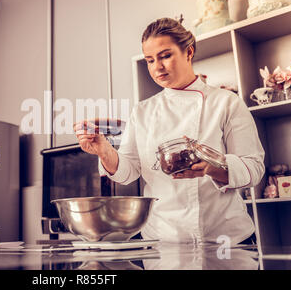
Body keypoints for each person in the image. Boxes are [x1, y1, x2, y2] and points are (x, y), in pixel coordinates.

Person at [74, 17, 265, 245]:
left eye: (165, 56)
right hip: (165, 241)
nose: (157, 67)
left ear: (188, 52)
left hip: (226, 237)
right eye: (150, 60)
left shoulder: (226, 102)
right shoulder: (142, 112)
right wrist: (104, 151)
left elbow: (254, 168)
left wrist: (215, 168)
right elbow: (129, 172)